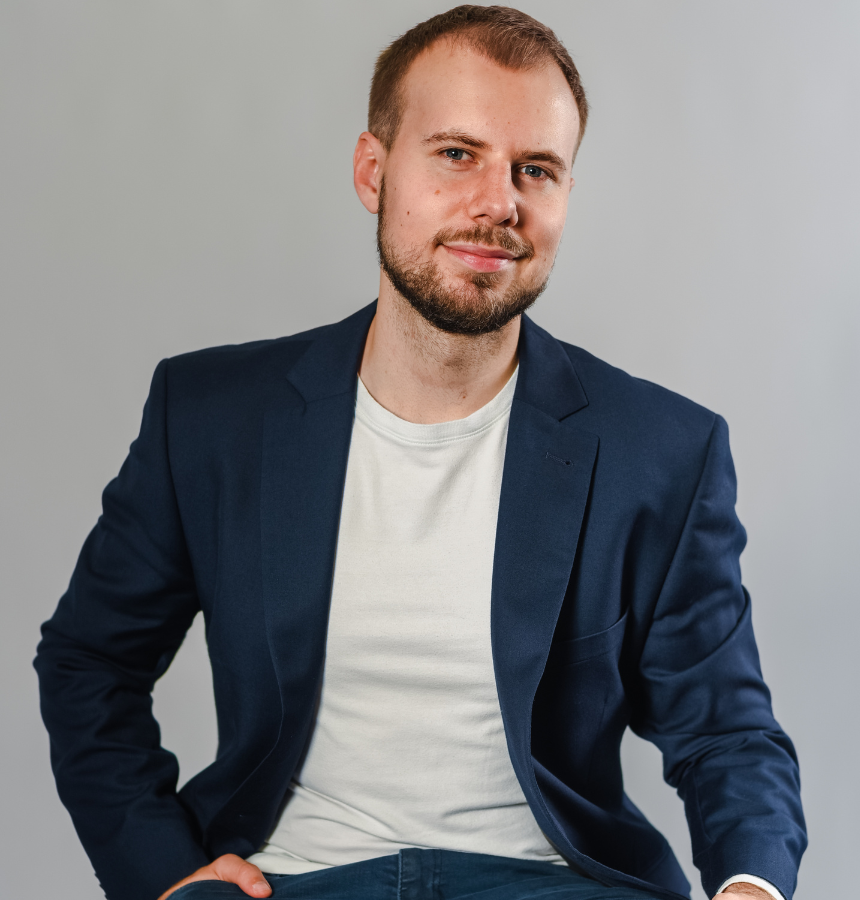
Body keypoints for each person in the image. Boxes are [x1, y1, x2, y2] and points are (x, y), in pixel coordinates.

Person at [34, 7, 806, 900]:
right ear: (374, 172)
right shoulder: (210, 418)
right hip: (287, 881)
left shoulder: (662, 452)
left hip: (554, 883)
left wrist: (750, 888)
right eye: (457, 154)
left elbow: (726, 734)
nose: (499, 202)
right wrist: (165, 877)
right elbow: (90, 662)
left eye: (536, 169)